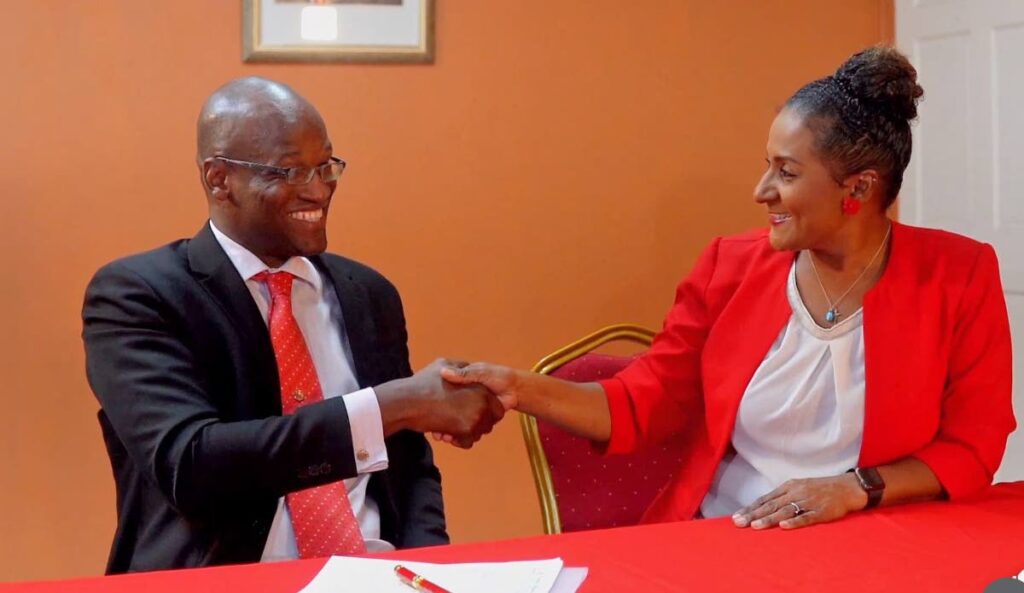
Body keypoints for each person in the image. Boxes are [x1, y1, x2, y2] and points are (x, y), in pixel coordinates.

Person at [442, 46, 1015, 530]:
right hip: (729, 533)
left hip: (875, 536)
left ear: (858, 189)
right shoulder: (729, 266)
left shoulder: (958, 274)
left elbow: (973, 445)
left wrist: (854, 488)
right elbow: (640, 403)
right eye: (768, 166)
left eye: (787, 173)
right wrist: (517, 386)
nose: (762, 190)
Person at [82, 77, 503, 574]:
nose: (319, 188)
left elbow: (408, 465)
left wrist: (426, 567)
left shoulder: (369, 293)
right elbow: (191, 464)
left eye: (326, 165)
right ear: (219, 179)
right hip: (226, 580)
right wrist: (398, 403)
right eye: (290, 170)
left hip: (375, 574)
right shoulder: (139, 294)